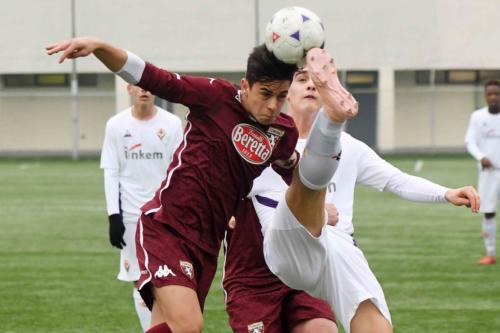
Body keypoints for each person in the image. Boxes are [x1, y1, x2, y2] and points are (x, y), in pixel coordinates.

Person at [47, 37, 299, 333]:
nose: (272, 105)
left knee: (166, 326)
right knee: (189, 325)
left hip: (207, 244)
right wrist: (100, 47)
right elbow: (154, 77)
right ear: (245, 85)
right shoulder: (216, 97)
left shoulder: (283, 132)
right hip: (167, 227)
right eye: (265, 93)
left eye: (281, 96)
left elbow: (294, 176)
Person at [238, 49, 479, 333]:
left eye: (317, 81)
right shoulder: (259, 142)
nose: (312, 85)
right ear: (285, 93)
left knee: (374, 318)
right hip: (287, 247)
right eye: (303, 79)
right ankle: (332, 121)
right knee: (307, 193)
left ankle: (331, 125)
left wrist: (446, 193)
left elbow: (396, 180)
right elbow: (225, 188)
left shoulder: (350, 147)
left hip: (336, 248)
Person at [100, 84, 183, 331]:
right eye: (138, 87)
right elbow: (111, 172)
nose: (144, 91)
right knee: (139, 282)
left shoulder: (171, 123)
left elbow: (178, 170)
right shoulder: (115, 125)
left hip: (164, 216)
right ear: (129, 89)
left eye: (149, 87)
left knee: (167, 281)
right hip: (131, 218)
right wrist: (113, 215)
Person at [465, 79, 500, 265]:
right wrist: (481, 157)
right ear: (486, 96)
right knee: (488, 212)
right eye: (490, 94)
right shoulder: (477, 117)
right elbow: (470, 141)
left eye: (497, 93)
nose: (493, 97)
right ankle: (491, 253)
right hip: (488, 173)